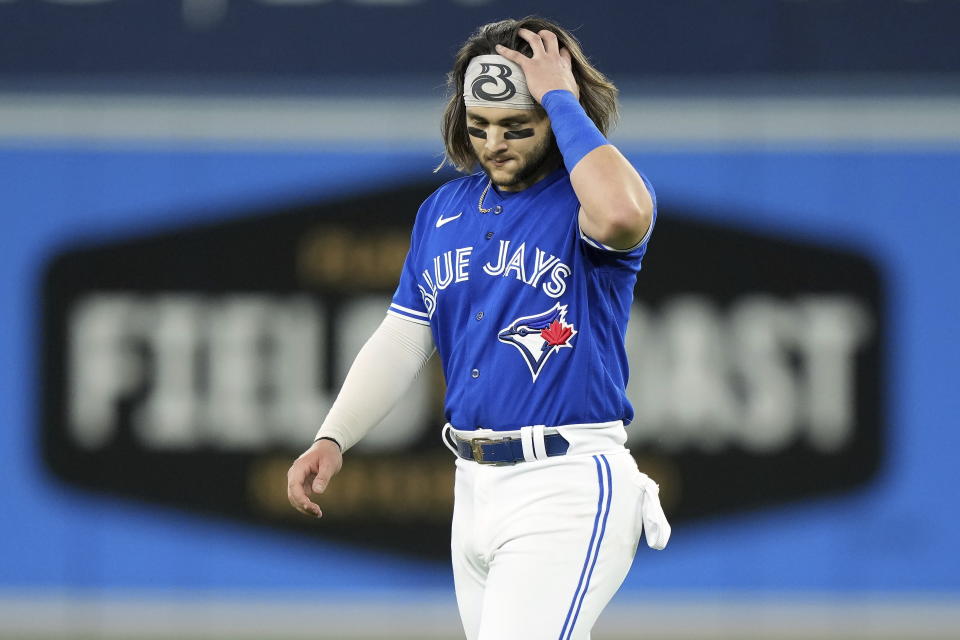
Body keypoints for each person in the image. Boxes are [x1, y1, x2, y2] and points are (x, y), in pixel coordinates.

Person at [287, 16, 671, 640]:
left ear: (557, 116)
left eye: (518, 125)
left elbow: (623, 214)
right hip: (473, 487)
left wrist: (561, 97)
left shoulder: (587, 197)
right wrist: (334, 436)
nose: (495, 142)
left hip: (566, 480)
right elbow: (404, 337)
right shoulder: (444, 209)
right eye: (479, 126)